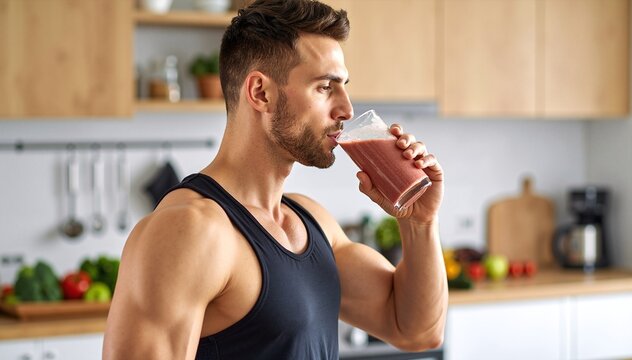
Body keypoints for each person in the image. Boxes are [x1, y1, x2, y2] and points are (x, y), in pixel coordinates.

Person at [103, 0, 447, 359]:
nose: (347, 109)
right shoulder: (189, 231)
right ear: (260, 93)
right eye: (325, 87)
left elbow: (417, 330)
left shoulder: (312, 222)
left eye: (343, 86)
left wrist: (420, 222)